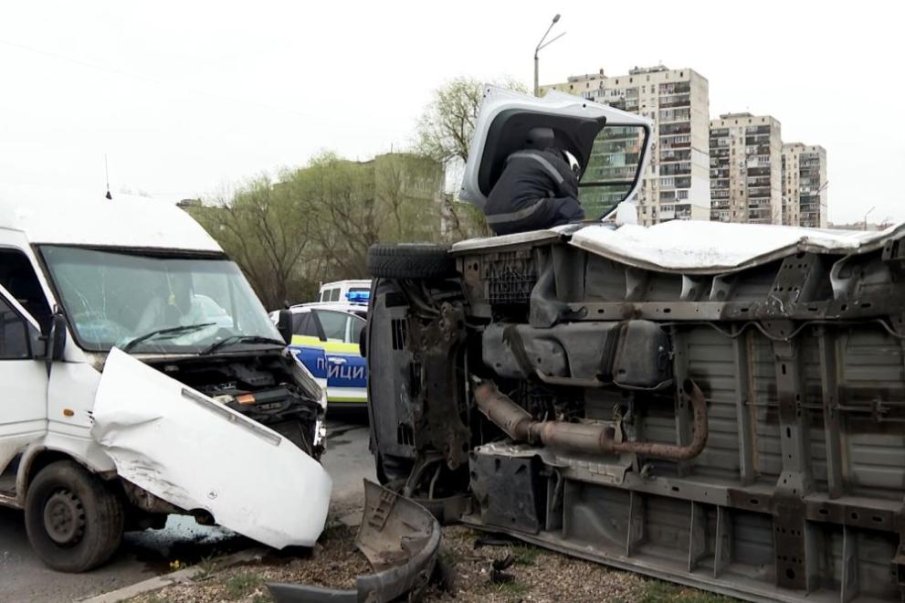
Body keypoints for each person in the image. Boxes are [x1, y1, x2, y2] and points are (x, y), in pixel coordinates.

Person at [483, 127, 585, 235]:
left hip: (493, 218)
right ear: (572, 167)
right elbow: (572, 199)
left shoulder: (520, 156)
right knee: (572, 208)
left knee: (546, 211)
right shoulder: (562, 167)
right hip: (520, 209)